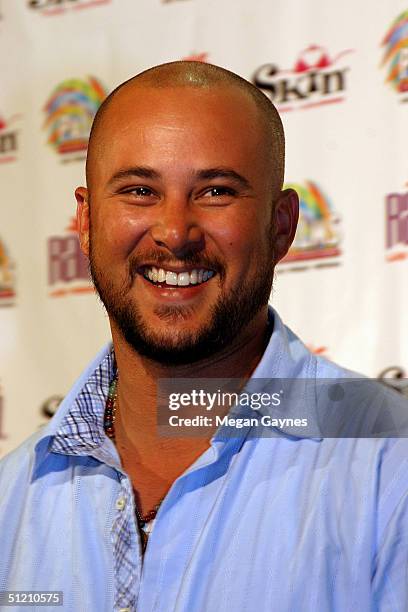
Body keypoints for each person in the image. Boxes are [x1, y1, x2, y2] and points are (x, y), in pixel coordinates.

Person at [0, 61, 407, 612]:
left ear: (282, 226)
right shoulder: (12, 495)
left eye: (215, 191)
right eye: (140, 190)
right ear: (86, 221)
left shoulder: (389, 464)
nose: (174, 233)